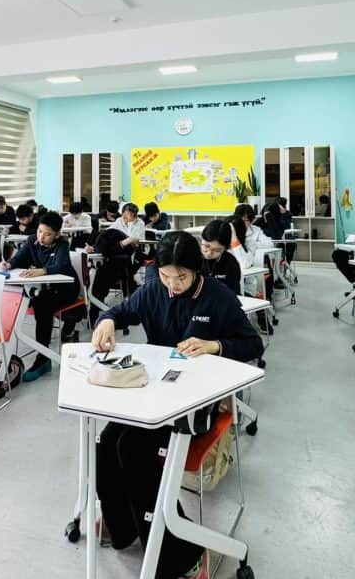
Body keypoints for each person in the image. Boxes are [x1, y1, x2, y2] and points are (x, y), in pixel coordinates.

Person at [90, 232, 263, 579]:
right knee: (107, 443)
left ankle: (184, 554)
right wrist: (107, 321)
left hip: (198, 402)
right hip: (154, 393)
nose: (173, 284)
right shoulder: (155, 288)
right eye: (166, 276)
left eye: (181, 277)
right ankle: (122, 526)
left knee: (133, 449)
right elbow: (120, 311)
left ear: (197, 271)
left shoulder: (218, 298)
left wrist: (214, 345)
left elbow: (252, 344)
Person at [1, 211, 80, 383]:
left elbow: (62, 265)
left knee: (42, 305)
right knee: (27, 299)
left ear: (57, 234)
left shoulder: (62, 245)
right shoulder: (31, 241)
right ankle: (7, 355)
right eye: (39, 231)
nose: (41, 237)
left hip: (66, 289)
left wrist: (43, 271)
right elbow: (19, 259)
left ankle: (43, 359)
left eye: (48, 234)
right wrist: (8, 264)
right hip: (44, 288)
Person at [198, 219, 242, 293]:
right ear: (201, 238)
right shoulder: (193, 258)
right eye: (206, 246)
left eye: (217, 250)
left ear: (226, 248)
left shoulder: (231, 263)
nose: (209, 253)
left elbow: (233, 293)